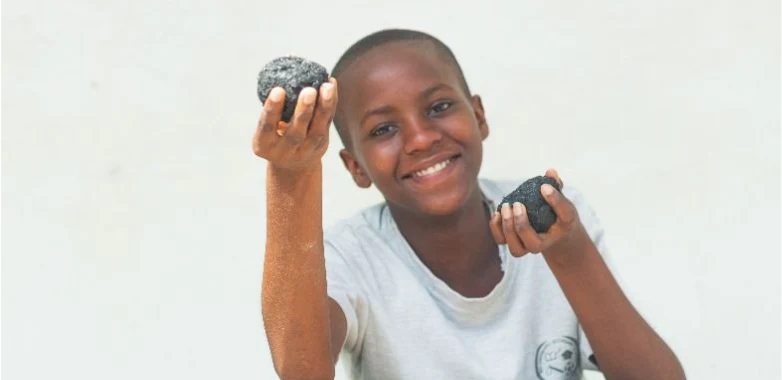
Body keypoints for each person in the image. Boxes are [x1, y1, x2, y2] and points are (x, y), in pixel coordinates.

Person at [253, 29, 685, 380]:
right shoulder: (352, 256)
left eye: (439, 107)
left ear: (479, 117)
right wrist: (293, 176)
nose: (422, 139)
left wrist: (568, 252)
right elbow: (302, 371)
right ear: (355, 167)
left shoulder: (558, 220)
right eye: (384, 129)